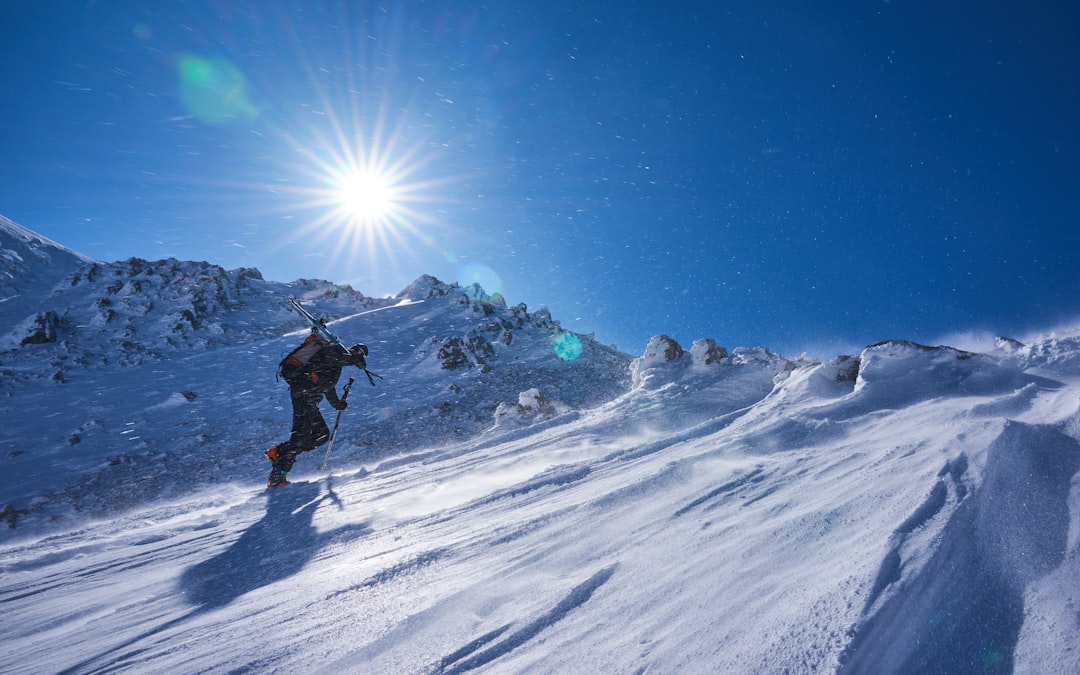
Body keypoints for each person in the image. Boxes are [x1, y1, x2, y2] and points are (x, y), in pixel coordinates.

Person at [266, 332, 368, 487]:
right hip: (303, 395)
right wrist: (355, 360)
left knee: (321, 434)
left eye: (359, 354)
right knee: (300, 438)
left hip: (307, 399)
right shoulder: (335, 351)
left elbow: (328, 386)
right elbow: (338, 358)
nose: (356, 354)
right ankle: (278, 475)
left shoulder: (335, 364)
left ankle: (281, 453)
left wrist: (337, 404)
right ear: (352, 349)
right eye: (356, 352)